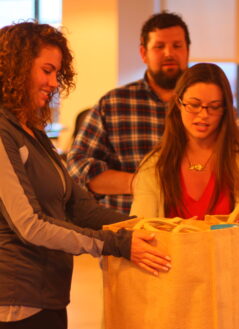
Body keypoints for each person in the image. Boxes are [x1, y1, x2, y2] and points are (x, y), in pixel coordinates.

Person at [0, 21, 171, 329]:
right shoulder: (3, 133)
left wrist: (146, 225)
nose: (53, 83)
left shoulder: (33, 133)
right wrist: (116, 244)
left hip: (45, 296)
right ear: (16, 68)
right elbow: (30, 225)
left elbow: (80, 206)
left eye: (57, 73)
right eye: (46, 70)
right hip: (15, 301)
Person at [67, 11, 191, 214]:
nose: (169, 53)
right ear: (144, 53)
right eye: (159, 46)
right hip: (125, 229)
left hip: (195, 227)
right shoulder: (113, 104)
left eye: (177, 46)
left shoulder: (208, 104)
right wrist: (140, 183)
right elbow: (77, 167)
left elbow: (237, 166)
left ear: (187, 50)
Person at [130, 63, 239, 219]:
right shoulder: (154, 165)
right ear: (178, 104)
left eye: (214, 107)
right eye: (194, 105)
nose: (203, 114)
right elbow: (141, 228)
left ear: (225, 110)